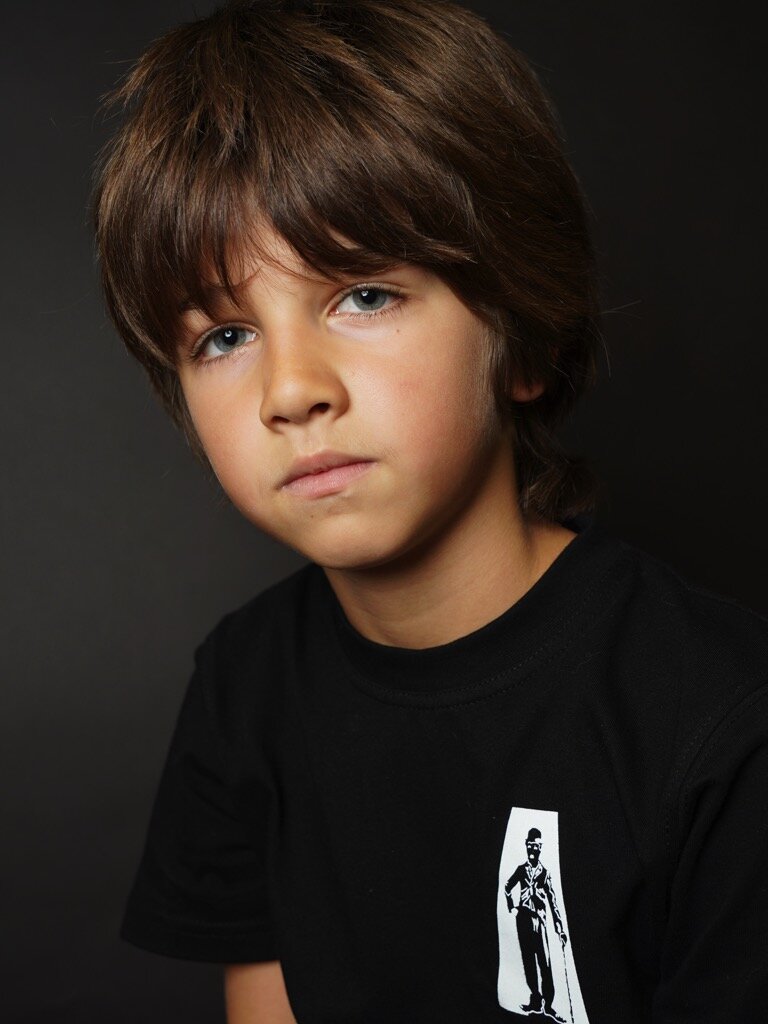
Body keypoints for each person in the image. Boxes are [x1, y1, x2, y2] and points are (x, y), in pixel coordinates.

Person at [91, 1, 768, 1021]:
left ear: (524, 338)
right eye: (225, 336)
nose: (291, 390)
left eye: (363, 295)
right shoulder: (245, 687)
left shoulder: (722, 721)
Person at [505, 828, 567, 1020]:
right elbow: (507, 886)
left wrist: (559, 928)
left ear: (541, 848)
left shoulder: (545, 873)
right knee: (528, 962)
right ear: (526, 845)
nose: (533, 849)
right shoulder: (521, 869)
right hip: (523, 919)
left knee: (544, 963)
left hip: (539, 921)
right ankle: (535, 1000)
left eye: (536, 846)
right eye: (530, 845)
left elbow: (553, 902)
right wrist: (512, 907)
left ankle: (549, 1005)